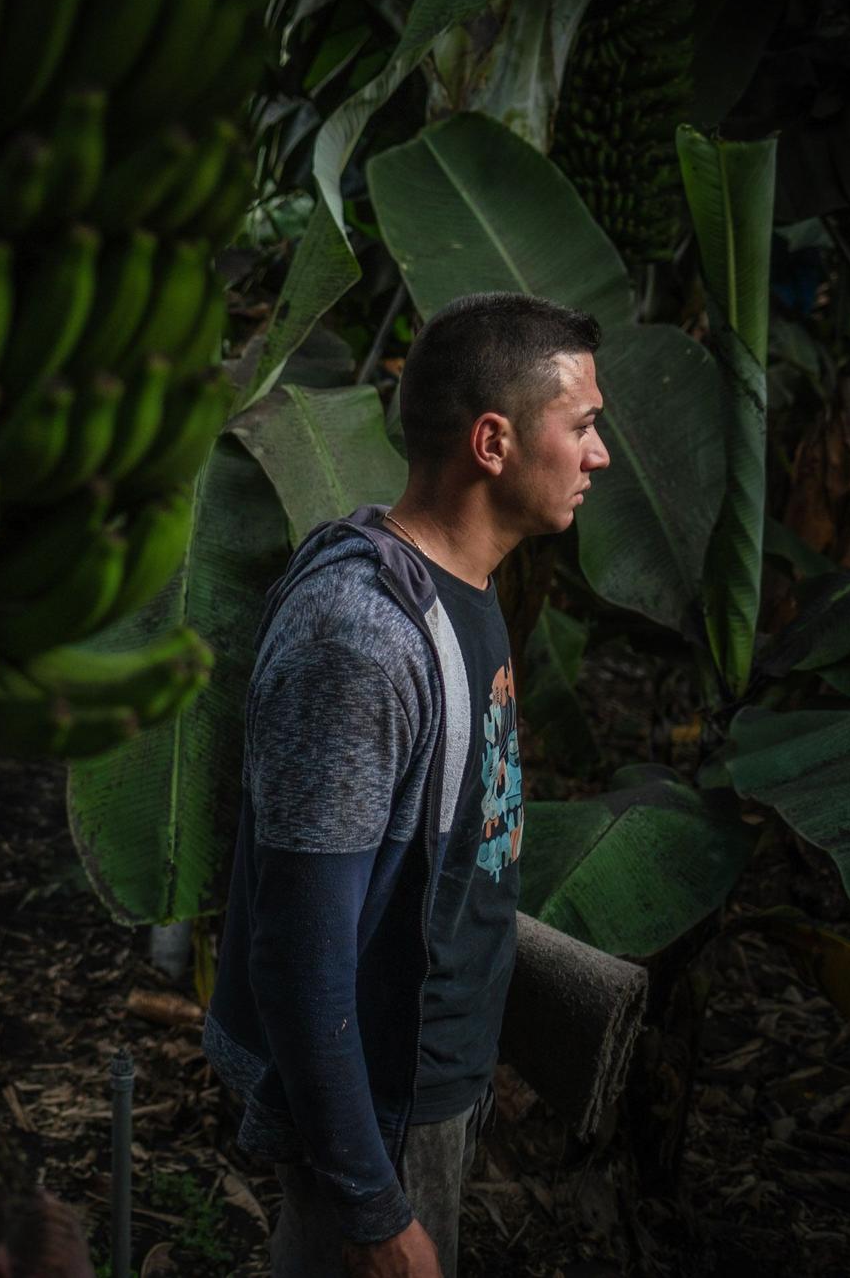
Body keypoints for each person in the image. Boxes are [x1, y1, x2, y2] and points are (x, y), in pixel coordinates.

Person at [203, 292, 610, 1277]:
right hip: (379, 1114)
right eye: (583, 426)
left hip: (432, 1087)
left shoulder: (462, 588)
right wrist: (371, 1208)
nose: (600, 455)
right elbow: (298, 960)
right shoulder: (360, 642)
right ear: (490, 441)